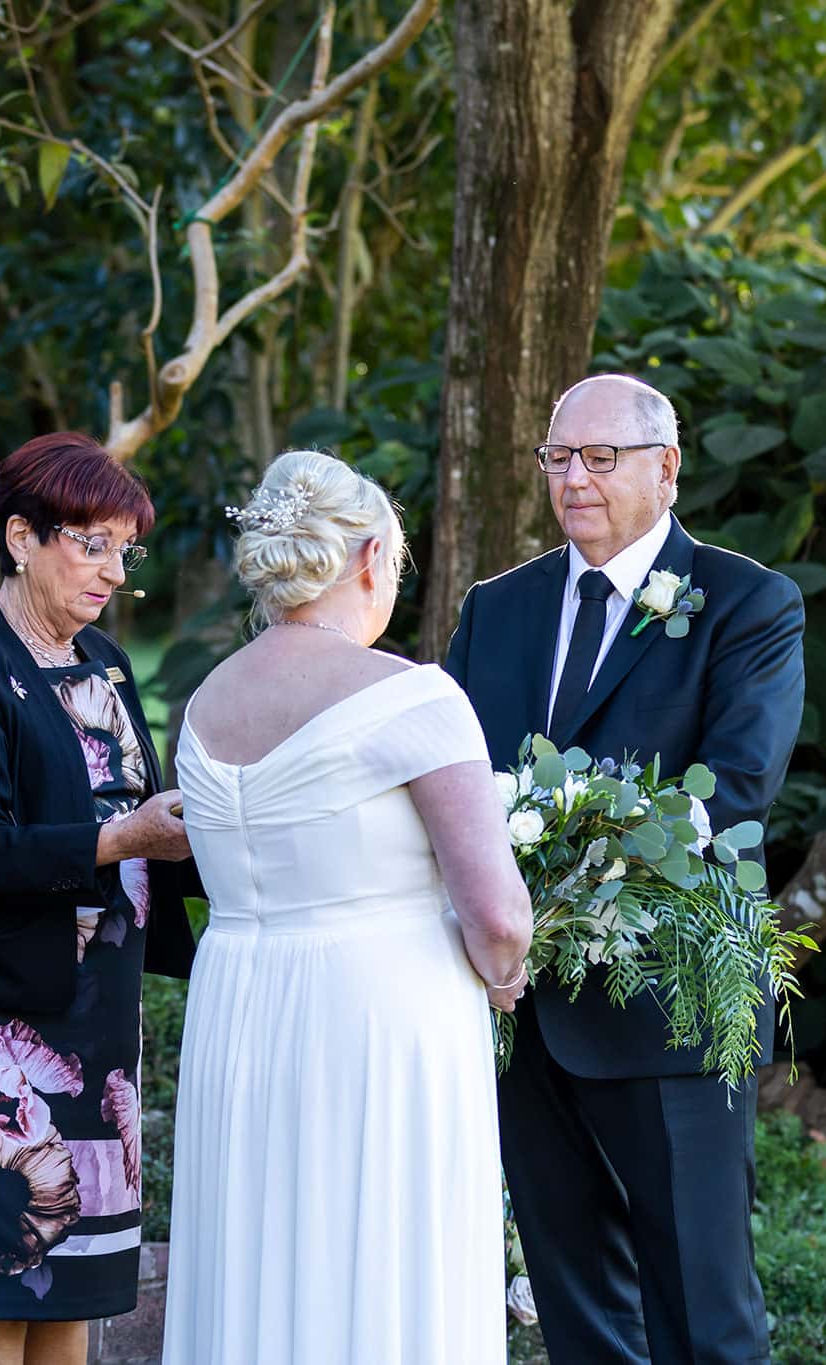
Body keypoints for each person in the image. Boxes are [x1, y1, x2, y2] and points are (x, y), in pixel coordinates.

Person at [444, 374, 807, 1364]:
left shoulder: (746, 604)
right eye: (556, 459)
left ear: (666, 468)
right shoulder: (497, 609)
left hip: (671, 1006)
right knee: (576, 1309)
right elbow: (447, 779)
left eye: (598, 459)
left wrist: (547, 819)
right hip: (521, 1011)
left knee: (704, 1310)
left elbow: (733, 785)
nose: (573, 480)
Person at [160, 450, 533, 1365]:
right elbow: (495, 913)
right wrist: (505, 976)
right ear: (370, 560)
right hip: (378, 1026)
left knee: (258, 1262)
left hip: (238, 1011)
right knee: (376, 1257)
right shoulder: (412, 697)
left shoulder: (204, 705)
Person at [0, 432, 198, 1365]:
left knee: (79, 1285)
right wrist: (124, 837)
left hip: (98, 1021)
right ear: (21, 536)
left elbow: (142, 804)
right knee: (3, 1283)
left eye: (123, 548)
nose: (112, 569)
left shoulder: (105, 659)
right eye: (91, 542)